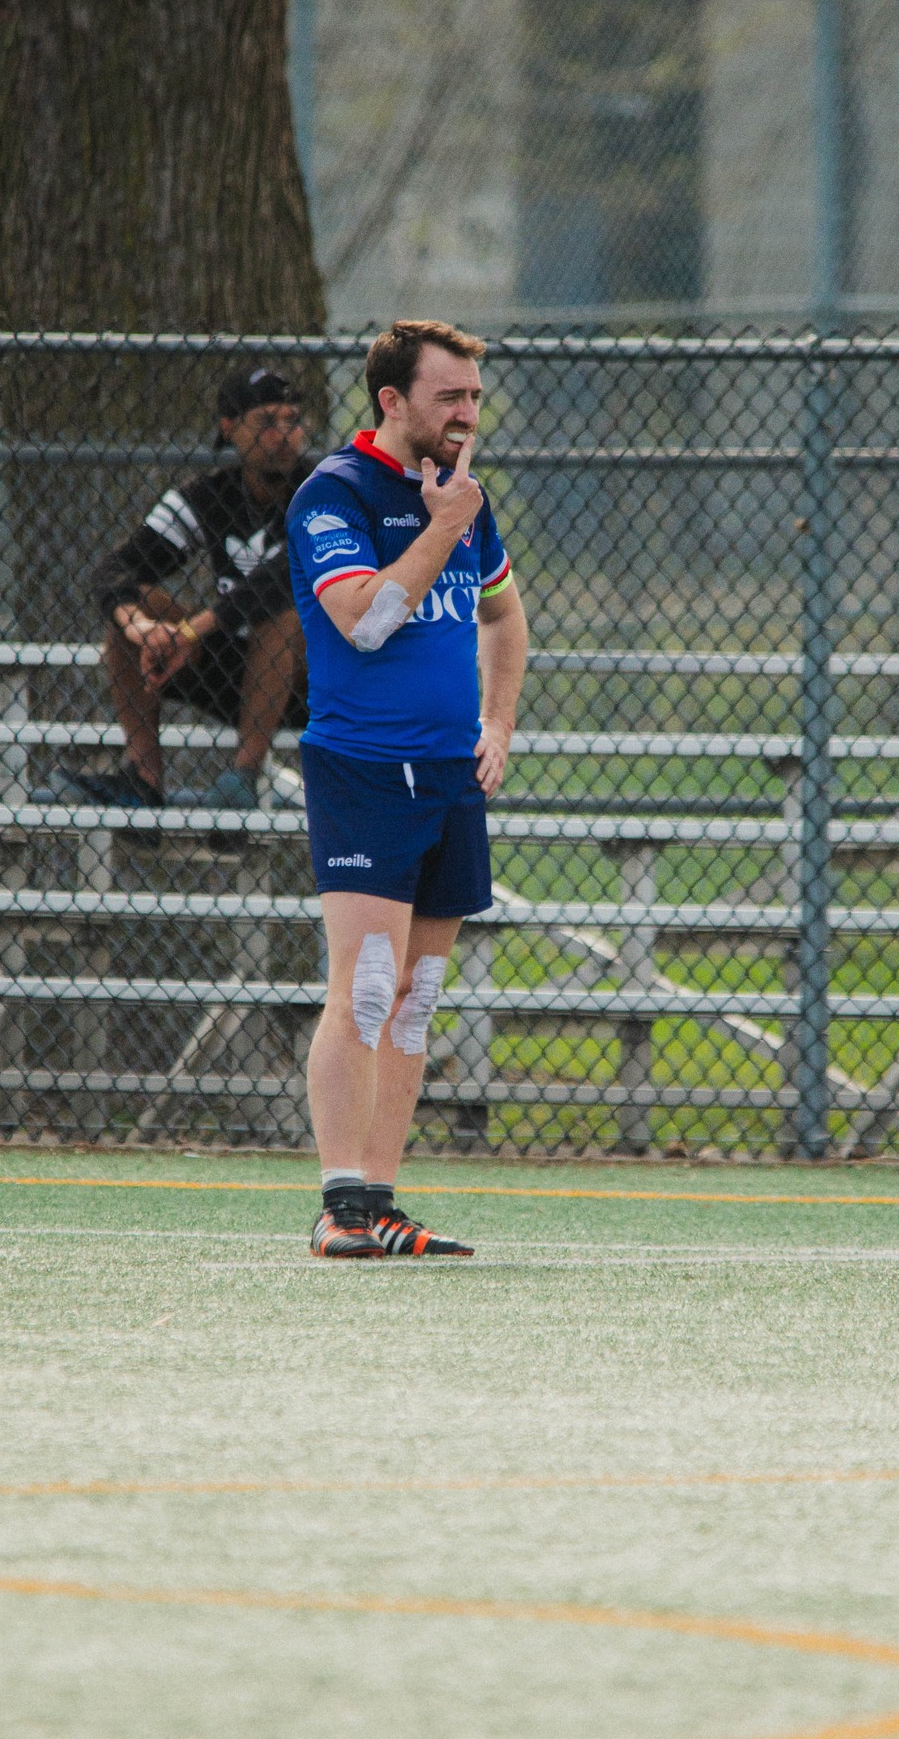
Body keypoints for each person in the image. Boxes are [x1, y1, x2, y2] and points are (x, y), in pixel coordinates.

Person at [285, 319, 528, 1258]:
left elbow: (505, 622)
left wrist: (497, 724)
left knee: (419, 992)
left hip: (449, 776)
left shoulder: (466, 499)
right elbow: (364, 621)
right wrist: (440, 528)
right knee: (369, 980)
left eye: (474, 396)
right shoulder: (333, 494)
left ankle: (382, 1202)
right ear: (392, 401)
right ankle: (339, 1205)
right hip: (364, 770)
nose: (468, 414)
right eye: (449, 397)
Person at [78, 367, 311, 811]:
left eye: (293, 420)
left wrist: (189, 633)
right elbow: (114, 569)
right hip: (229, 673)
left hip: (313, 682)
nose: (283, 434)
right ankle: (143, 781)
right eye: (266, 421)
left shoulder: (323, 491)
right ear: (229, 426)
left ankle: (244, 776)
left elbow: (280, 580)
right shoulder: (207, 495)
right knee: (138, 607)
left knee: (283, 612)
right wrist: (141, 627)